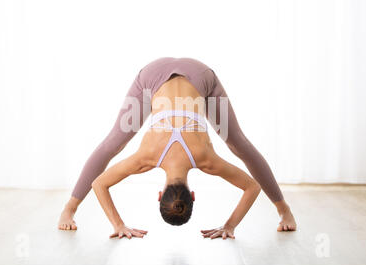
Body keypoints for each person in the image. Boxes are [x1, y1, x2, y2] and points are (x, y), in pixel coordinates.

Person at [58, 57, 297, 238]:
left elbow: (251, 188)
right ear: (160, 195)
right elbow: (99, 184)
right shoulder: (146, 157)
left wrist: (230, 227)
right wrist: (118, 225)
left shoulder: (206, 160)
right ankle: (283, 209)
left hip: (181, 76)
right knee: (238, 144)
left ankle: (70, 208)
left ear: (193, 195)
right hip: (173, 75)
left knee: (113, 143)